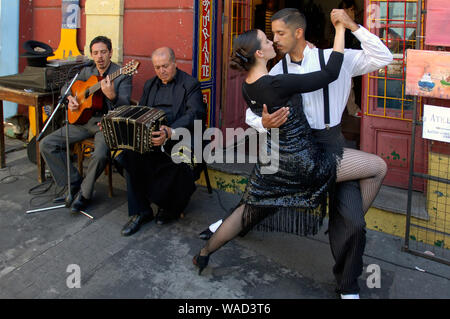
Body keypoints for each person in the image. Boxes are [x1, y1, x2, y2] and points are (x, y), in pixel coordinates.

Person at [199, 8, 393, 298]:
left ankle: (347, 282)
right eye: (271, 36)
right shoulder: (276, 72)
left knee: (353, 222)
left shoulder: (332, 57)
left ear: (298, 33)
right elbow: (253, 112)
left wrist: (352, 26)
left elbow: (384, 57)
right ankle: (226, 227)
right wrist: (262, 122)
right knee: (258, 194)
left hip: (331, 145)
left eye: (279, 33)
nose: (274, 40)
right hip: (295, 147)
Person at [119, 47, 205, 237]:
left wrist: (170, 131)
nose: (161, 71)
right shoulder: (150, 84)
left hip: (180, 137)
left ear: (175, 63)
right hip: (153, 137)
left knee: (176, 161)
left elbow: (195, 114)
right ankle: (141, 211)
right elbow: (141, 111)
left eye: (165, 66)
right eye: (157, 67)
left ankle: (170, 205)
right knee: (128, 155)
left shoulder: (190, 84)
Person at [40, 35, 132, 212]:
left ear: (111, 53)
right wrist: (69, 98)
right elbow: (66, 87)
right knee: (46, 144)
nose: (100, 57)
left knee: (99, 155)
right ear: (91, 54)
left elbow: (126, 107)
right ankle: (72, 183)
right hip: (82, 121)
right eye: (96, 53)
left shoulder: (122, 74)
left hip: (105, 125)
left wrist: (112, 96)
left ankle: (84, 194)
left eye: (103, 52)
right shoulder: (86, 71)